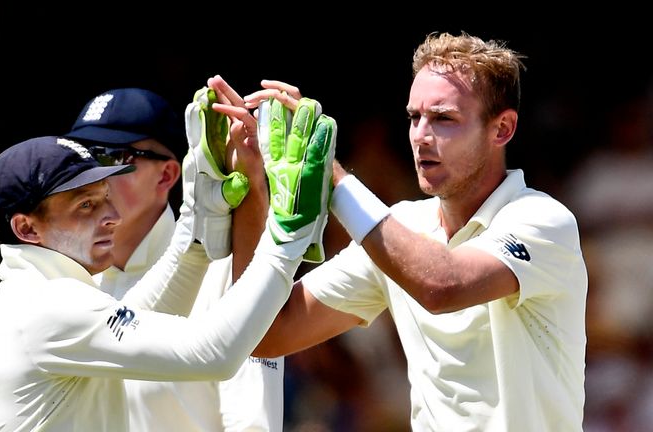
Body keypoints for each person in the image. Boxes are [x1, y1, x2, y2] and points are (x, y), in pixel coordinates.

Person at [250, 32, 588, 431]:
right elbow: (267, 333)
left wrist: (329, 175)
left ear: (502, 129)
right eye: (414, 117)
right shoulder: (401, 227)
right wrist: (250, 187)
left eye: (443, 119)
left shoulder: (544, 219)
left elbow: (443, 286)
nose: (420, 136)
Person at [0, 122, 335, 430]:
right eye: (86, 205)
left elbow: (141, 313)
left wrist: (197, 222)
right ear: (27, 228)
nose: (112, 217)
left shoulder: (14, 303)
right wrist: (285, 239)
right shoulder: (49, 307)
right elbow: (213, 354)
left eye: (106, 197)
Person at [62, 83, 284, 431]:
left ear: (166, 175)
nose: (91, 176)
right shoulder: (66, 285)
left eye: (110, 157)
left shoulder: (226, 271)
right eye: (81, 158)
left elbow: (253, 422)